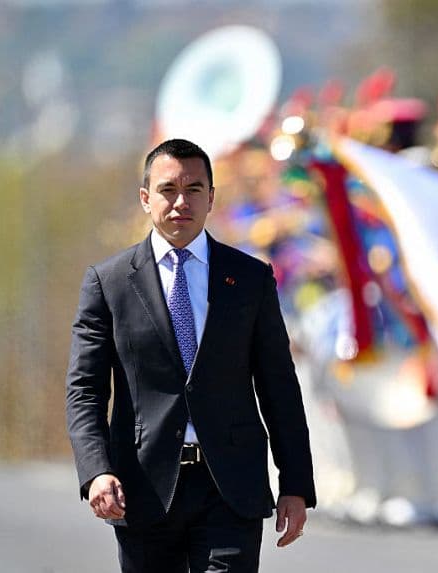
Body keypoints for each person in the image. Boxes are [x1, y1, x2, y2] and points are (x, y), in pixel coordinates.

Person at [65, 138, 316, 572]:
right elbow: (84, 390)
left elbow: (279, 387)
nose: (181, 202)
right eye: (168, 190)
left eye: (194, 189)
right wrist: (96, 471)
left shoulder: (250, 279)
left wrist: (295, 483)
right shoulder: (110, 283)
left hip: (230, 488)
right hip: (144, 488)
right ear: (146, 198)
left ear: (211, 198)